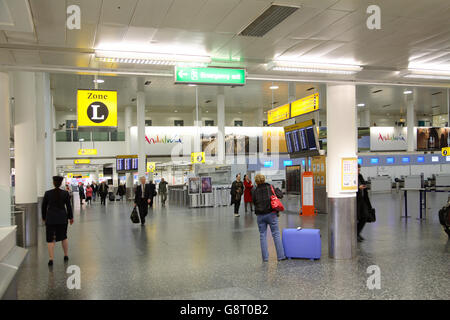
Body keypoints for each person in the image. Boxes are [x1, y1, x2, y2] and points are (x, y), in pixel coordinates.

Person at [252, 173, 286, 262]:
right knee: (276, 234)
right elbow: (280, 195)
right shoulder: (270, 187)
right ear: (264, 179)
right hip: (271, 214)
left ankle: (265, 258)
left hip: (260, 215)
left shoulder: (255, 190)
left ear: (256, 181)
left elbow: (254, 202)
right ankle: (281, 256)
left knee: (262, 235)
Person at [41, 176, 74, 266]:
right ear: (61, 183)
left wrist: (44, 217)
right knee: (64, 237)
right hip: (62, 218)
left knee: (50, 238)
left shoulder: (47, 193)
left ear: (53, 183)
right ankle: (66, 255)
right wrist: (71, 217)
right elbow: (69, 206)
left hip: (50, 218)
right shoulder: (65, 193)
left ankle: (51, 259)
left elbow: (43, 207)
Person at [357, 164, 372, 242]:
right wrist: (358, 187)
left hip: (362, 199)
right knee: (357, 217)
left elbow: (363, 183)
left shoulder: (360, 176)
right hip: (356, 201)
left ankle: (357, 232)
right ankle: (356, 234)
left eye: (359, 170)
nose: (359, 171)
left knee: (365, 216)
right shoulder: (351, 177)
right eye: (358, 169)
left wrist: (364, 186)